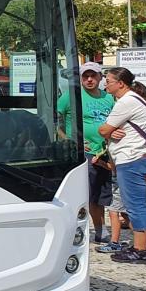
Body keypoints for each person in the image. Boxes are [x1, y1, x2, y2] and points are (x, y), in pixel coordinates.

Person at [98, 67, 146, 263]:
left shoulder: (127, 102)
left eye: (108, 81)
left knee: (135, 205)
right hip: (135, 158)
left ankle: (140, 250)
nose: (105, 84)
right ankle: (141, 245)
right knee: (138, 203)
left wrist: (107, 131)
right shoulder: (135, 100)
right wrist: (111, 131)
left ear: (120, 83)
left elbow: (104, 128)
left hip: (130, 159)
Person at [58, 61, 116, 243]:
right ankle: (91, 229)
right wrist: (67, 139)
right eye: (85, 76)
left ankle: (101, 229)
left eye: (93, 76)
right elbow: (53, 120)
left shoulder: (108, 98)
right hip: (83, 154)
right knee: (87, 193)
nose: (89, 79)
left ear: (100, 77)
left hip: (105, 152)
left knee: (102, 194)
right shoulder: (71, 97)